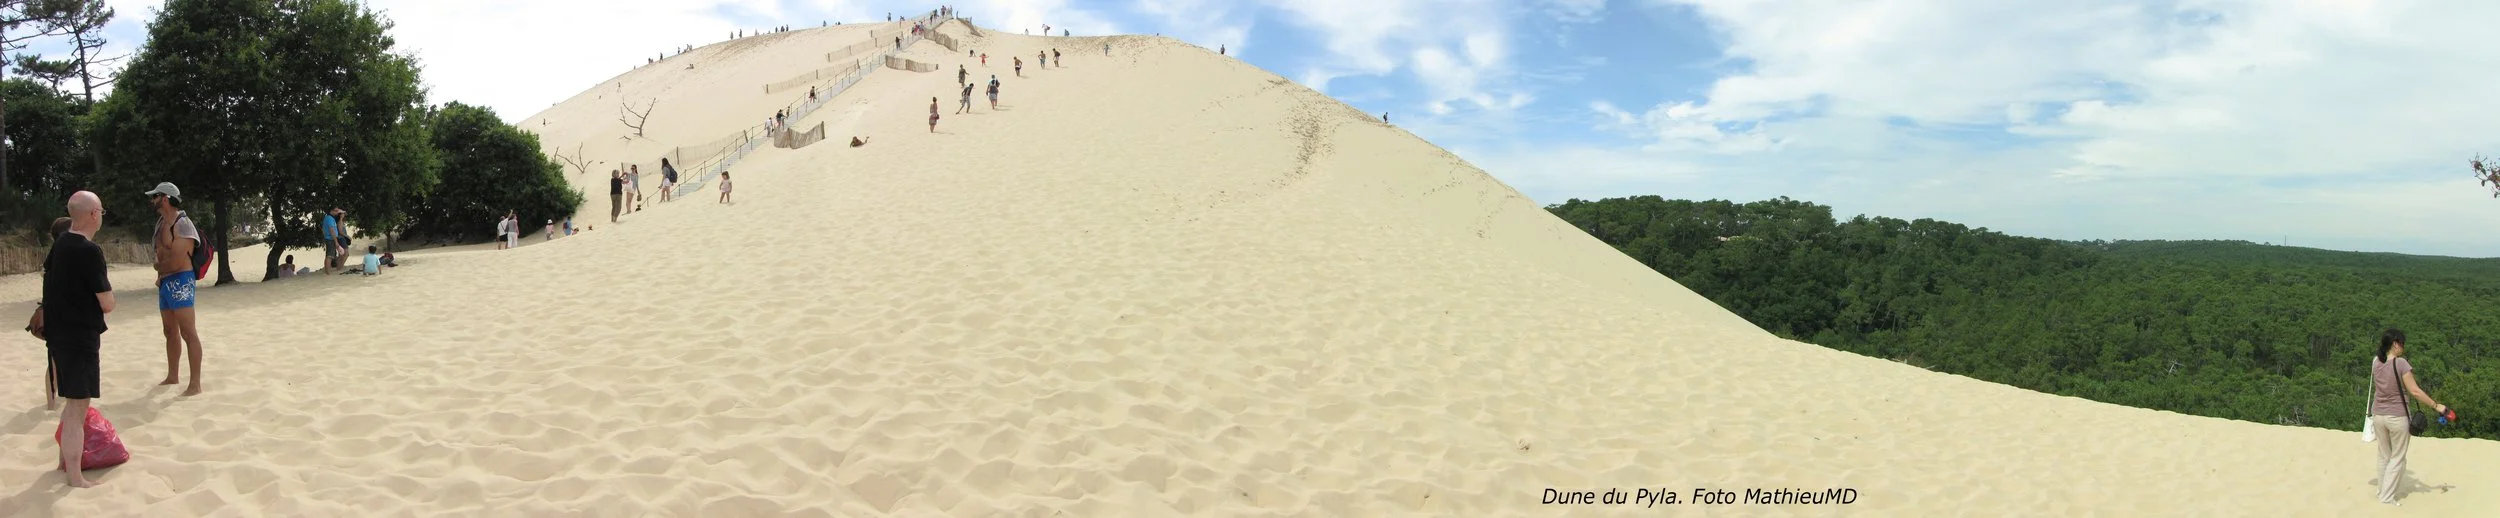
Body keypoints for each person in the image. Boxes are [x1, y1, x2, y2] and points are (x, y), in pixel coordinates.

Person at [46, 191, 116, 488]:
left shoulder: (61, 243)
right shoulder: (88, 250)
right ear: (92, 214)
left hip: (59, 334)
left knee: (71, 402)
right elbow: (107, 302)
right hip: (78, 337)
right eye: (101, 209)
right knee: (77, 406)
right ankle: (75, 475)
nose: (101, 215)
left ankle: (65, 461)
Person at [2371, 328, 2448, 505]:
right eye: (2402, 344)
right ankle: (2387, 497)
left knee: (2384, 455)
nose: (2403, 348)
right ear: (2395, 344)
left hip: (2378, 415)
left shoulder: (2376, 362)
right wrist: (2437, 406)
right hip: (2396, 416)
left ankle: (2381, 489)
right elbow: (2414, 391)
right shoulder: (2401, 364)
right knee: (2397, 458)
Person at [143, 183, 205, 396]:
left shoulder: (183, 224)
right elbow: (160, 253)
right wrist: (160, 270)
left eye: (155, 196)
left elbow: (178, 262)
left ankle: (195, 384)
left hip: (181, 281)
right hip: (165, 281)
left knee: (188, 332)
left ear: (166, 198)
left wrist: (159, 267)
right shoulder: (161, 223)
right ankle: (173, 375)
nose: (152, 200)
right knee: (169, 331)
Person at [34, 217, 71, 410]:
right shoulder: (63, 258)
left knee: (54, 361)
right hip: (62, 318)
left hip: (54, 316)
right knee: (57, 362)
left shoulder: (52, 257)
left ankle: (51, 403)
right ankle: (52, 403)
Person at [321, 207, 343, 273]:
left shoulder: (328, 218)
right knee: (329, 256)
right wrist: (336, 241)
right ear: (331, 211)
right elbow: (331, 230)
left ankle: (328, 271)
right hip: (330, 239)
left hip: (329, 238)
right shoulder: (329, 218)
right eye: (336, 211)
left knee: (330, 255)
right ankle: (327, 272)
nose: (337, 212)